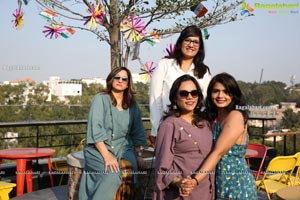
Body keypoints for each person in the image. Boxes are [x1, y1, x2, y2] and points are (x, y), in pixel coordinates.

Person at [181, 72, 258, 199]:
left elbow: (218, 153)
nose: (220, 95)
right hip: (220, 181)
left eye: (226, 91)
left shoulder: (235, 115)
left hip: (237, 183)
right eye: (216, 91)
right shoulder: (215, 117)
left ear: (233, 94)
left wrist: (195, 181)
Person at [78, 67, 147, 200]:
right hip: (98, 148)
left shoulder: (132, 104)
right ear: (111, 79)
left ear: (128, 84)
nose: (120, 80)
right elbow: (95, 128)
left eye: (124, 79)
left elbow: (137, 130)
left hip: (123, 147)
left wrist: (139, 154)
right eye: (117, 77)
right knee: (111, 175)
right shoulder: (100, 99)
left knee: (134, 175)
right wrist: (107, 156)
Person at [153, 75, 214, 200]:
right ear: (175, 97)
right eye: (184, 93)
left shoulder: (205, 122)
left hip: (206, 190)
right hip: (182, 194)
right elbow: (162, 167)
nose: (190, 97)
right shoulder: (170, 125)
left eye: (194, 93)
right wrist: (179, 182)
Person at [149, 25, 212, 146]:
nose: (191, 45)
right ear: (181, 42)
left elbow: (205, 102)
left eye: (195, 42)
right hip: (168, 125)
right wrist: (157, 128)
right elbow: (154, 99)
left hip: (193, 127)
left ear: (200, 47)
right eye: (187, 40)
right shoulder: (165, 65)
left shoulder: (204, 71)